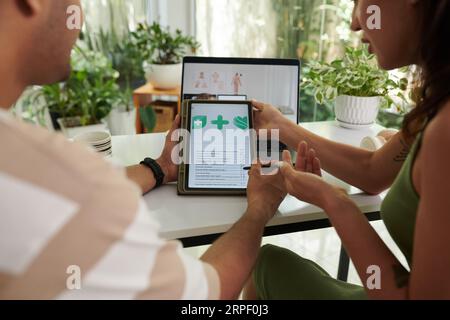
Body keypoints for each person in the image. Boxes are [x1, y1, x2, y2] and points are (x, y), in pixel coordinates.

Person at [0, 0, 286, 299]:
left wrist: (162, 166)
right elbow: (204, 296)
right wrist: (260, 208)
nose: (78, 20)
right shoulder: (75, 187)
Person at [244, 0, 450, 300]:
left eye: (359, 1)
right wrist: (280, 124)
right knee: (267, 262)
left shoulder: (444, 130)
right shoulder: (435, 106)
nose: (355, 22)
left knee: (263, 264)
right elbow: (372, 172)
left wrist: (333, 201)